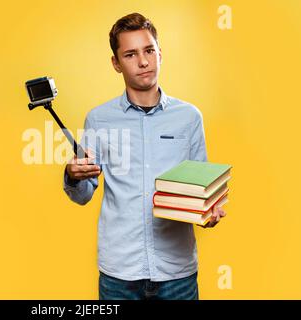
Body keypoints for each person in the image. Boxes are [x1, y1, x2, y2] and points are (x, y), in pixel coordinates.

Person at [63, 13, 226, 300]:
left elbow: (202, 188)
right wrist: (73, 176)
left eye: (149, 50)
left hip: (177, 272)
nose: (143, 61)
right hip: (119, 273)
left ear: (159, 53)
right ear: (116, 63)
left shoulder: (189, 118)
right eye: (130, 54)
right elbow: (84, 195)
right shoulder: (99, 119)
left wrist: (208, 212)